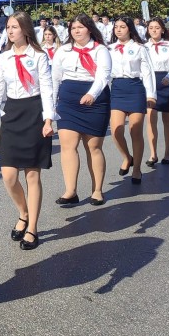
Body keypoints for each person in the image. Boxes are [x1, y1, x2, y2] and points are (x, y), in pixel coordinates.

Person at [0, 12, 54, 251]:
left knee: (32, 175)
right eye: (8, 27)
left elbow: (47, 88)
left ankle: (32, 227)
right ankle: (22, 212)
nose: (10, 31)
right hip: (12, 113)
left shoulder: (39, 56)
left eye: (14, 27)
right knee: (9, 175)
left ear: (25, 30)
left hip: (34, 112)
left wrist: (48, 119)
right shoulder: (3, 58)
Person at [51, 14, 112, 206]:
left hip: (95, 99)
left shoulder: (101, 50)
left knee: (93, 147)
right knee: (68, 146)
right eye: (73, 28)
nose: (76, 31)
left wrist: (92, 94)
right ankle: (71, 191)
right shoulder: (63, 51)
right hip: (68, 99)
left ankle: (97, 190)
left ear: (89, 29)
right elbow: (54, 79)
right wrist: (51, 108)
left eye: (80, 27)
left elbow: (103, 76)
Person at [108, 16, 155, 184]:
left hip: (135, 88)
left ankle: (137, 169)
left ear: (129, 28)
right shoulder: (109, 48)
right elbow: (104, 73)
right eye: (116, 27)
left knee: (135, 131)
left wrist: (151, 95)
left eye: (122, 26)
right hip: (118, 88)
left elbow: (148, 72)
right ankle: (127, 157)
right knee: (116, 130)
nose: (118, 29)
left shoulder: (139, 48)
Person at [145, 18, 169, 166]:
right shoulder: (143, 47)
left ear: (163, 30)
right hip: (150, 82)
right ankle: (153, 154)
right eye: (151, 28)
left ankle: (167, 153)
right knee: (151, 118)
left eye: (157, 28)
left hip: (166, 81)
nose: (154, 30)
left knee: (167, 120)